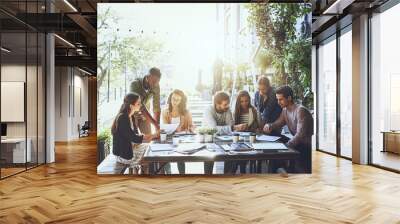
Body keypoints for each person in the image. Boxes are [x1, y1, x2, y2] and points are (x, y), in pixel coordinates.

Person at [263, 86, 313, 173]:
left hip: (306, 147)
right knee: (274, 138)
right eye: (277, 99)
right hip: (297, 144)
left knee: (279, 150)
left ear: (289, 98)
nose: (278, 102)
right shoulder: (285, 110)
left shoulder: (300, 111)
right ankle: (279, 170)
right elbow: (278, 123)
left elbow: (300, 136)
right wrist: (269, 126)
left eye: (281, 99)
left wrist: (285, 147)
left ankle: (281, 170)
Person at [111, 93, 159, 174]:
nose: (140, 105)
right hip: (123, 154)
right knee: (149, 155)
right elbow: (134, 138)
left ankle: (142, 173)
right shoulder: (122, 118)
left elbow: (136, 135)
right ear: (131, 106)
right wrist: (152, 135)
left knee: (150, 149)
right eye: (138, 103)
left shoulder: (131, 116)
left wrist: (149, 137)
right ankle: (144, 174)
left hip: (131, 148)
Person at [202, 91, 245, 174]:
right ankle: (207, 178)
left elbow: (230, 124)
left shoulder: (227, 109)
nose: (228, 106)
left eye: (228, 104)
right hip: (209, 140)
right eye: (225, 104)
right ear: (217, 104)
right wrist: (231, 128)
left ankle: (227, 177)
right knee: (209, 159)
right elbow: (213, 129)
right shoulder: (208, 110)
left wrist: (229, 128)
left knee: (231, 154)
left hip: (224, 139)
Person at [161, 89, 195, 174]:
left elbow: (191, 126)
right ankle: (168, 174)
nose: (174, 101)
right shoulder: (165, 112)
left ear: (181, 101)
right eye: (173, 98)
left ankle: (182, 175)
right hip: (169, 138)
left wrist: (191, 128)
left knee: (180, 157)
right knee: (165, 155)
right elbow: (166, 128)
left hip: (182, 139)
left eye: (177, 100)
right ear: (170, 98)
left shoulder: (186, 112)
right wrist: (175, 129)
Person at [253, 76, 282, 173]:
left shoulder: (273, 93)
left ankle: (272, 170)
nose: (261, 91)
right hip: (263, 122)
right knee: (260, 147)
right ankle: (259, 168)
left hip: (274, 121)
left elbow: (267, 112)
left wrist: (260, 129)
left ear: (268, 87)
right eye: (259, 89)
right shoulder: (257, 94)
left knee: (273, 148)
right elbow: (257, 110)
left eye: (263, 89)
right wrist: (262, 98)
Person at [232, 90, 262, 173]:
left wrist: (256, 129)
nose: (244, 103)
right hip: (239, 139)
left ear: (249, 100)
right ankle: (238, 171)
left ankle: (241, 172)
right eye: (241, 101)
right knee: (237, 155)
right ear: (238, 102)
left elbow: (259, 126)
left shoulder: (254, 110)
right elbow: (233, 127)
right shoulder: (236, 112)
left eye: (246, 101)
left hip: (251, 138)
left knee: (242, 155)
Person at [130, 67, 162, 135]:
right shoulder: (135, 84)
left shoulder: (156, 85)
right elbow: (140, 106)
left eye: (157, 82)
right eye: (153, 81)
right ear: (148, 77)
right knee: (134, 140)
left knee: (148, 138)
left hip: (145, 116)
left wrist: (157, 127)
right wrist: (154, 123)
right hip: (132, 115)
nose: (155, 84)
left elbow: (156, 107)